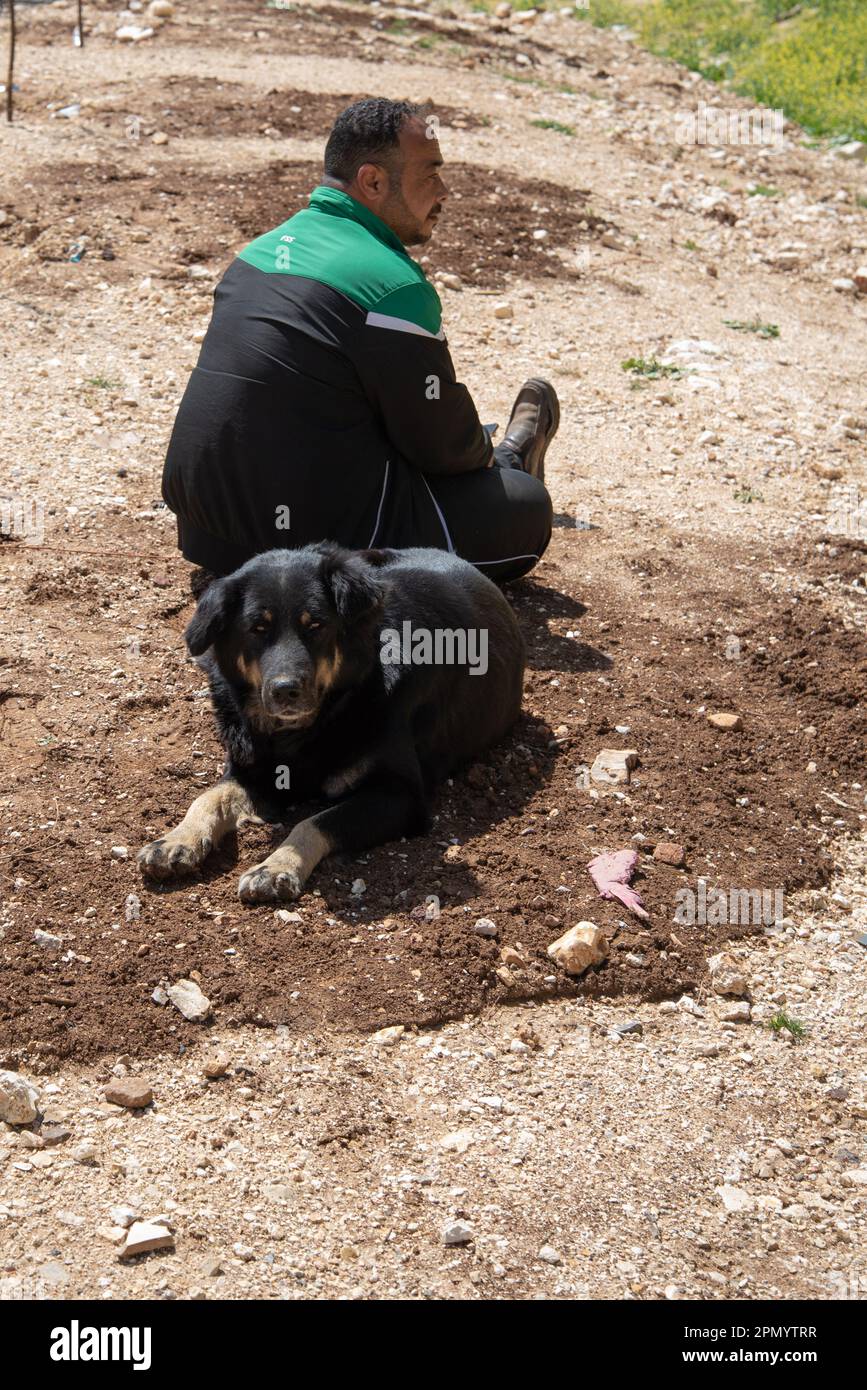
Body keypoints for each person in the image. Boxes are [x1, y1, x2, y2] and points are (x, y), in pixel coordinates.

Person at [162, 97, 559, 589]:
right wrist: (486, 455)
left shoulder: (258, 252)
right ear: (373, 181)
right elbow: (443, 448)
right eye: (430, 174)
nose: (445, 191)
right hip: (316, 555)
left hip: (208, 533)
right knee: (523, 505)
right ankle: (516, 457)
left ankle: (510, 458)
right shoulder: (392, 285)